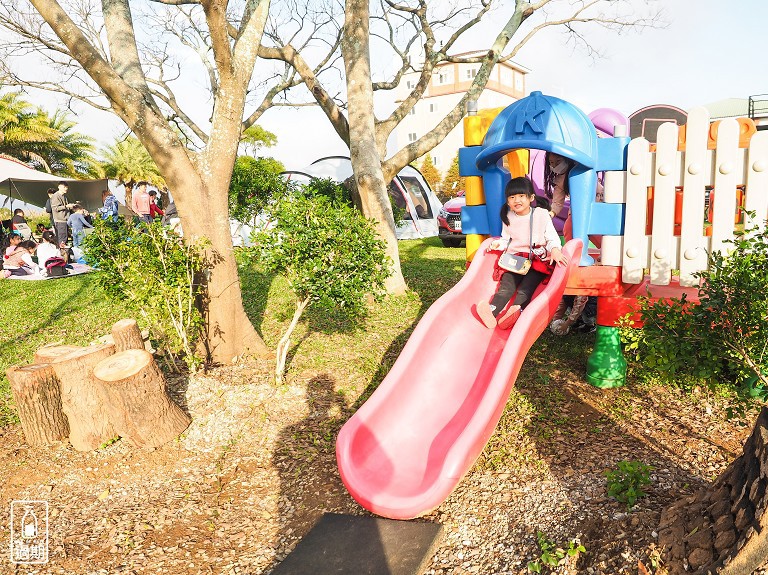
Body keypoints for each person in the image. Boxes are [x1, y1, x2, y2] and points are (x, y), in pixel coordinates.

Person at [477, 177, 568, 330]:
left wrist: (555, 250)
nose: (516, 200)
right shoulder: (508, 216)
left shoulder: (541, 214)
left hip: (538, 260)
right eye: (512, 197)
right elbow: (506, 238)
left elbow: (551, 237)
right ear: (507, 201)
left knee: (527, 288)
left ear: (531, 198)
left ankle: (517, 311)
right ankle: (492, 312)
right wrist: (498, 244)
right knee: (506, 286)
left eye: (521, 196)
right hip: (516, 259)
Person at [50, 181, 75, 246]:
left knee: (63, 239)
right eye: (64, 187)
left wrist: (71, 206)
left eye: (67, 187)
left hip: (64, 220)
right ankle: (62, 254)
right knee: (62, 240)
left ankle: (61, 254)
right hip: (60, 221)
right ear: (59, 187)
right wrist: (66, 206)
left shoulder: (64, 197)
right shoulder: (56, 196)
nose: (66, 189)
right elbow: (55, 208)